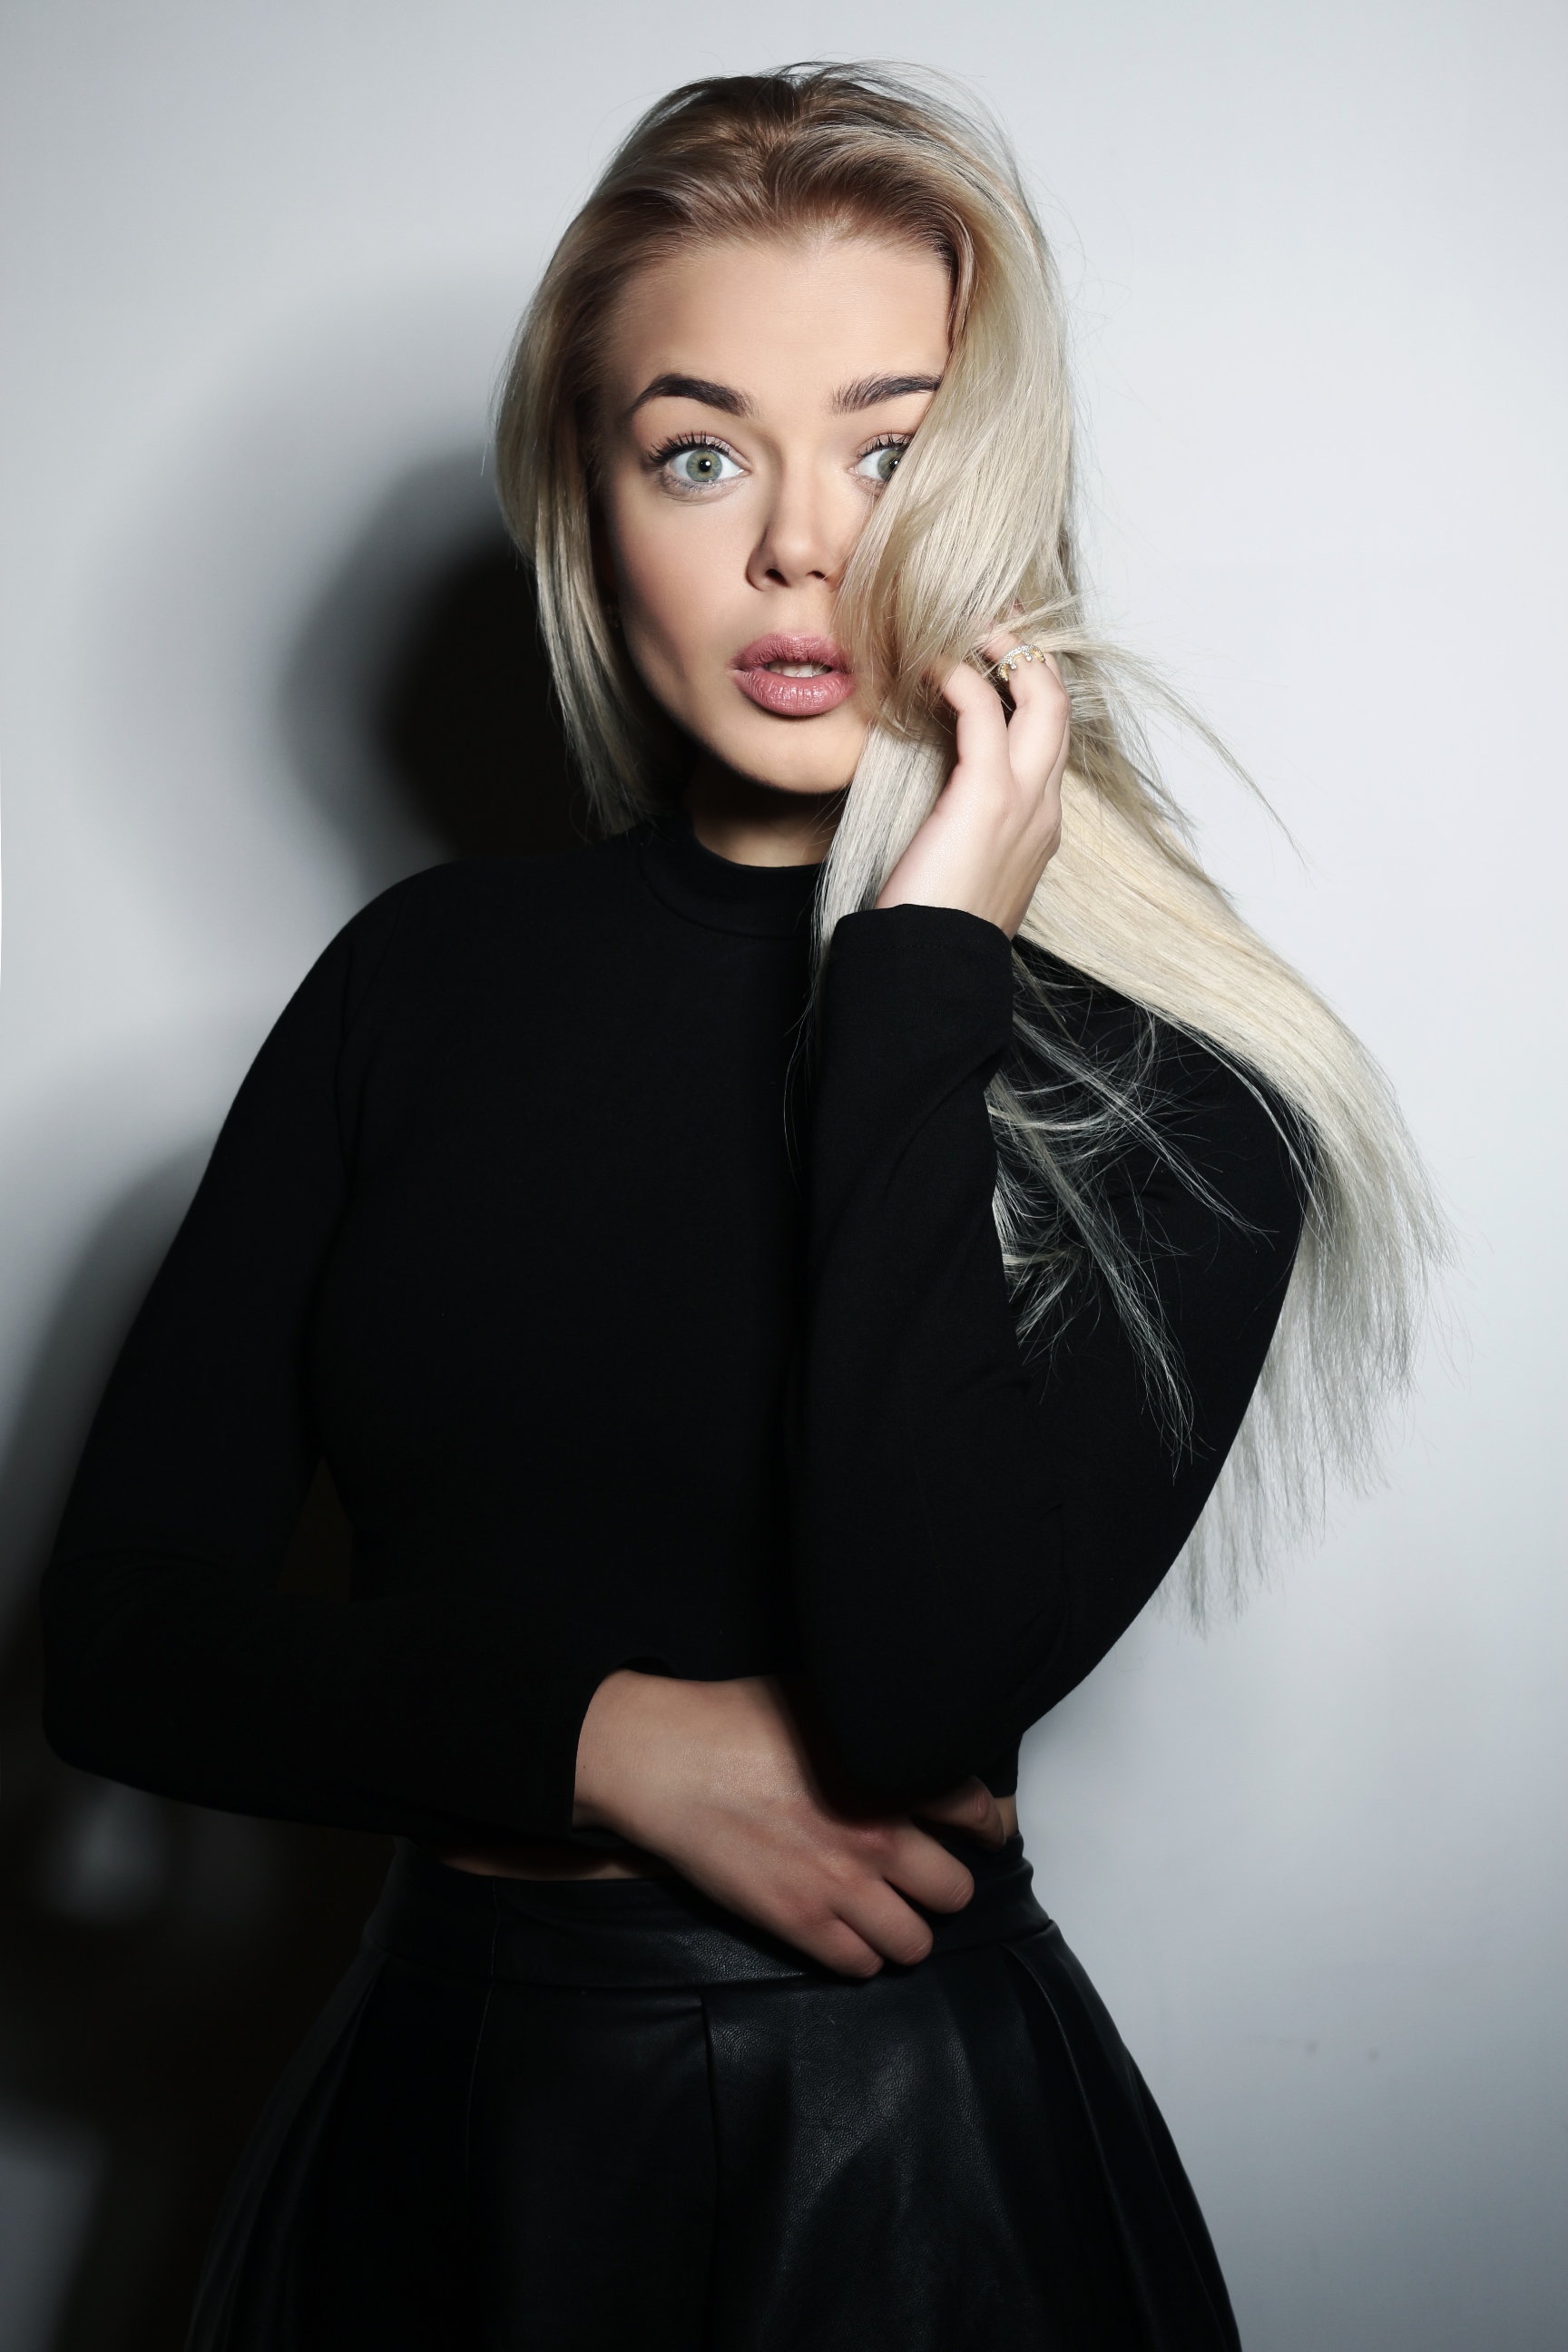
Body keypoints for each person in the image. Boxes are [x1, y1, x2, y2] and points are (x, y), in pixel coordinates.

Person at [41, 63, 1440, 2352]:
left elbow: (909, 1692)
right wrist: (604, 1739)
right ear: (589, 506)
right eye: (701, 453)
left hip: (904, 2182)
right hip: (422, 2141)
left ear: (999, 497)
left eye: (891, 451)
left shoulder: (1174, 1090)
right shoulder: (421, 984)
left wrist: (923, 965)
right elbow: (113, 1642)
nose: (801, 548)